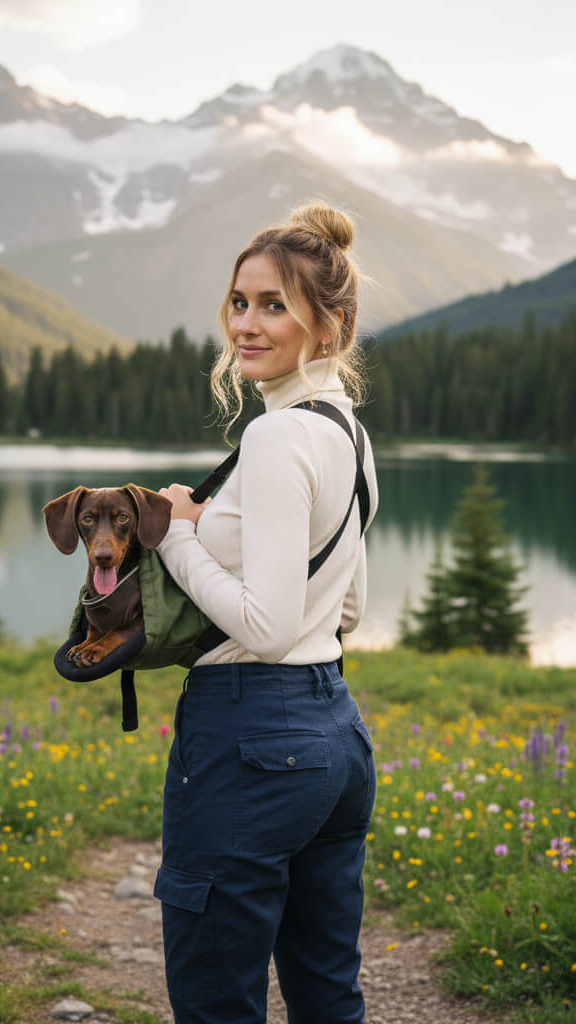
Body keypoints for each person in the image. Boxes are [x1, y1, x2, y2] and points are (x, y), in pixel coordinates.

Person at [154, 202, 379, 1024]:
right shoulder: (346, 433)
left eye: (275, 305)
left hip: (250, 733)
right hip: (336, 734)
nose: (248, 324)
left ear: (331, 325)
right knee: (326, 989)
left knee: (219, 999)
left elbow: (271, 624)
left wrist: (180, 536)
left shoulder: (278, 439)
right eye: (241, 302)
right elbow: (348, 603)